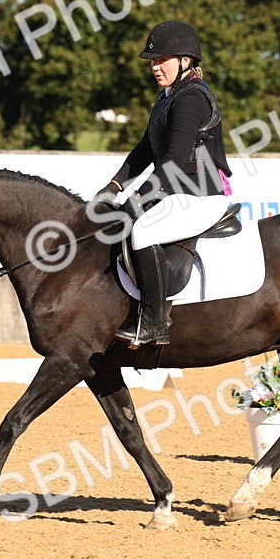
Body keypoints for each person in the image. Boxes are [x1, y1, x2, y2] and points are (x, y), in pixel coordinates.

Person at [93, 20, 233, 347]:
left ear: (185, 61)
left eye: (162, 60)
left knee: (143, 230)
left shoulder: (192, 98)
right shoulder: (167, 96)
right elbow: (144, 149)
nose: (155, 67)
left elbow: (173, 157)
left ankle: (155, 323)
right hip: (177, 193)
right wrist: (114, 187)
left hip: (200, 195)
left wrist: (140, 196)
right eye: (153, 61)